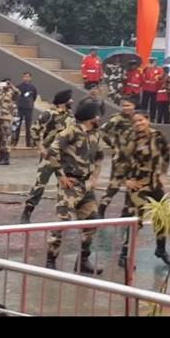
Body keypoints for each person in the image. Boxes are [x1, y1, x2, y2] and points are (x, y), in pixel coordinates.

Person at [44, 102, 104, 274]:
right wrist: (61, 175)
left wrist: (95, 177)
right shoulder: (71, 131)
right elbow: (52, 152)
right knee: (62, 222)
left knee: (93, 221)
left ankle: (83, 261)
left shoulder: (95, 134)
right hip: (70, 185)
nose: (99, 118)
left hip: (86, 186)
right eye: (97, 115)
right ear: (91, 117)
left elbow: (100, 156)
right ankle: (50, 260)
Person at [121, 111, 170, 267]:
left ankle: (161, 249)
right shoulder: (131, 139)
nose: (138, 123)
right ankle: (126, 254)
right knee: (135, 221)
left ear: (148, 120)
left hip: (155, 184)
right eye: (135, 121)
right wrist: (126, 181)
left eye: (141, 120)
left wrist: (164, 173)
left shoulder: (158, 136)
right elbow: (119, 161)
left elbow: (166, 154)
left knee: (163, 216)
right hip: (138, 186)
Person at [20, 89, 75, 223]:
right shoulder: (49, 114)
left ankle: (64, 214)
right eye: (69, 99)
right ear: (64, 102)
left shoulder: (71, 116)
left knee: (65, 184)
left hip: (65, 156)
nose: (72, 101)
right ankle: (27, 211)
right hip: (50, 155)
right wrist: (41, 148)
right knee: (40, 184)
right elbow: (34, 130)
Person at [97, 97, 136, 219]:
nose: (126, 108)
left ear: (134, 106)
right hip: (120, 158)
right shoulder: (117, 119)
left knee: (132, 185)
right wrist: (113, 145)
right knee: (114, 185)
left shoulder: (137, 119)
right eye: (124, 106)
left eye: (128, 105)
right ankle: (101, 208)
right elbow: (102, 131)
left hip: (134, 159)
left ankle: (126, 212)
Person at [0, 79, 20, 165]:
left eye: (7, 83)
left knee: (5, 138)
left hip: (6, 118)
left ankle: (6, 158)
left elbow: (18, 93)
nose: (5, 85)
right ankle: (1, 156)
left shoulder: (12, 92)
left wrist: (11, 86)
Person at [12, 72, 37, 148]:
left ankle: (28, 143)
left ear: (30, 78)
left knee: (28, 126)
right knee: (17, 126)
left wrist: (30, 104)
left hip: (28, 109)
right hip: (20, 108)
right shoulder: (18, 87)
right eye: (24, 76)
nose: (26, 78)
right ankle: (14, 142)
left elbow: (34, 97)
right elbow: (14, 96)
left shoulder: (33, 88)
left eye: (27, 76)